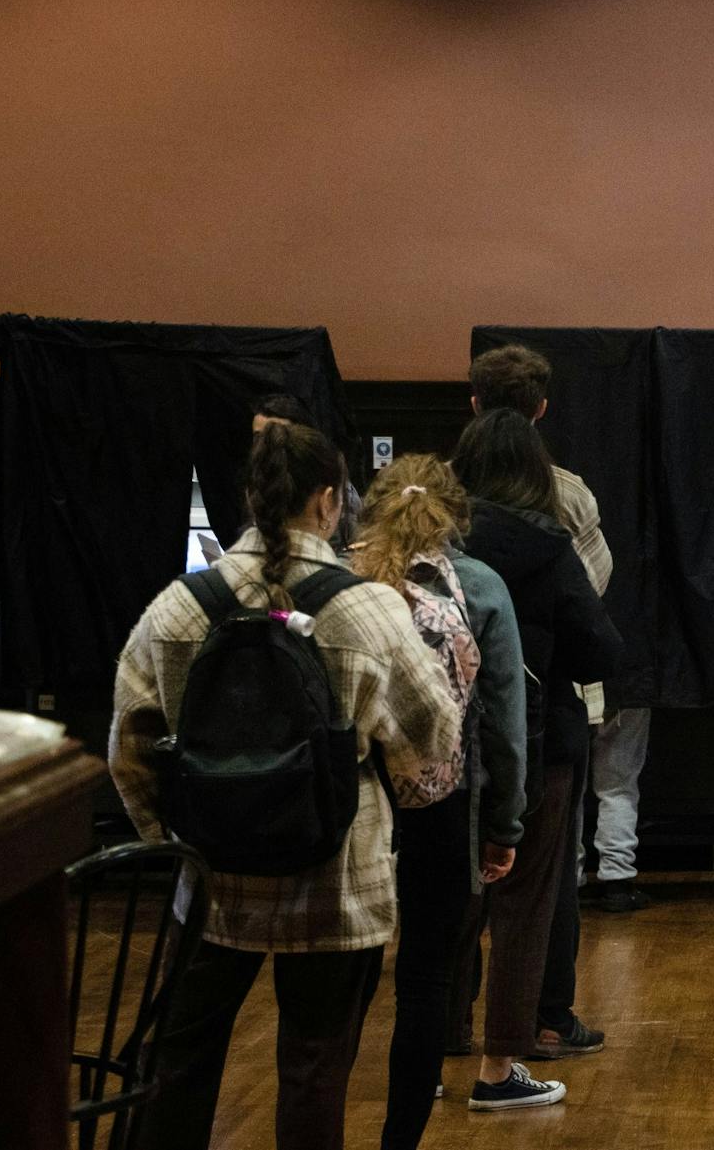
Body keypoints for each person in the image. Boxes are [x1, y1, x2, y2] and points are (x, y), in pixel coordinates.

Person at [109, 422, 461, 1150]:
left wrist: (171, 839)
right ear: (330, 501)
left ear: (250, 495)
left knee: (180, 1058)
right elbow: (433, 733)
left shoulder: (180, 605)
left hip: (211, 880)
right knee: (314, 1066)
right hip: (337, 878)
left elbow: (128, 750)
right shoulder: (368, 608)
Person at [468, 345, 641, 1071]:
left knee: (453, 883)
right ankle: (542, 1023)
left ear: (473, 404)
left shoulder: (434, 499)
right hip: (546, 714)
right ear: (542, 408)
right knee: (543, 880)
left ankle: (446, 1031)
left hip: (448, 723)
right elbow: (591, 602)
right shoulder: (564, 499)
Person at [349, 455, 530, 1148]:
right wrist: (504, 824)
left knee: (340, 990)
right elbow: (505, 722)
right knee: (424, 981)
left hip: (353, 803)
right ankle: (400, 1139)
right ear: (457, 514)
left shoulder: (344, 582)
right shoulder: (479, 586)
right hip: (444, 804)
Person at [251, 392, 363, 547]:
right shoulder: (254, 482)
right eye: (258, 437)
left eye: (278, 434)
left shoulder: (334, 485)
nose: (266, 444)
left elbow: (352, 545)